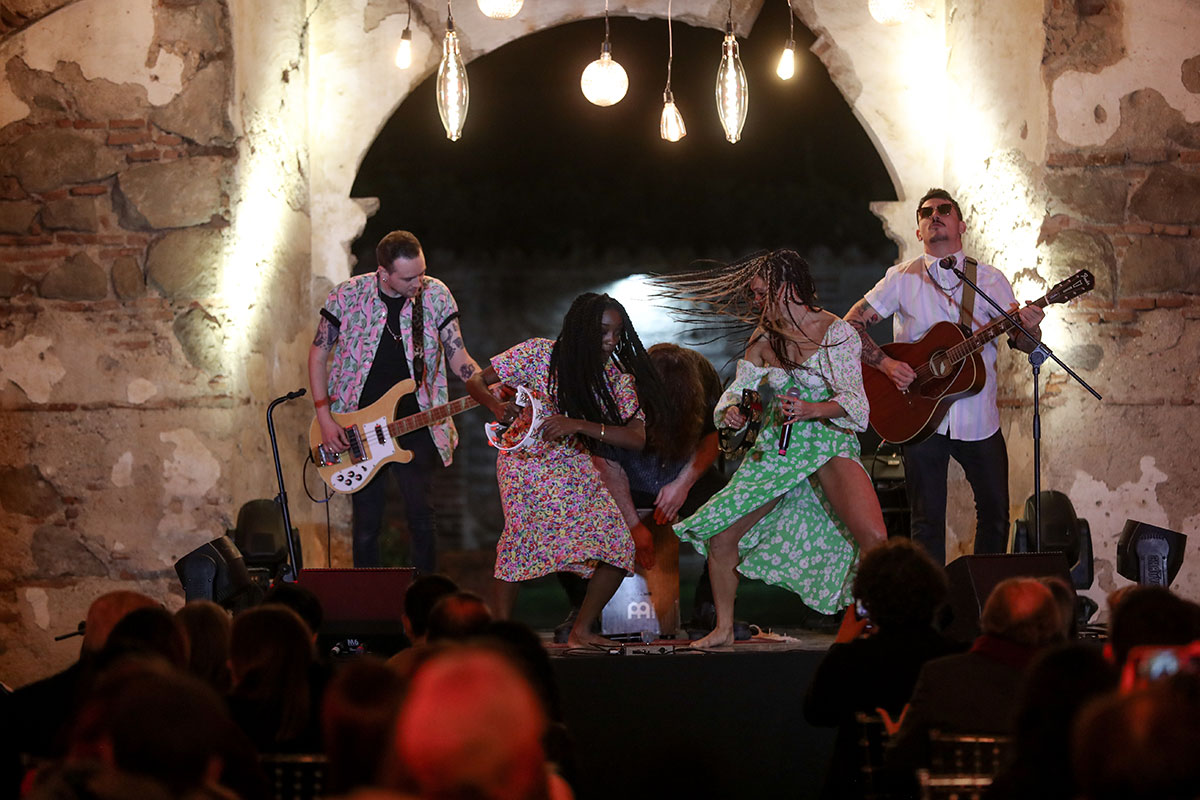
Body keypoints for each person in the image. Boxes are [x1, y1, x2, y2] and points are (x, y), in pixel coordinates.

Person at [657, 250, 888, 649]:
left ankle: (879, 623)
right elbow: (746, 395)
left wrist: (812, 408)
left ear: (788, 288)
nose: (758, 304)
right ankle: (723, 627)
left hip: (827, 440)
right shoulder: (763, 340)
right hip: (777, 449)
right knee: (722, 538)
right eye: (755, 297)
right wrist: (733, 413)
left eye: (763, 295)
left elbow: (855, 401)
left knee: (874, 537)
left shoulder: (837, 332)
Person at [844, 189, 1045, 564]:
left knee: (996, 516)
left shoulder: (989, 279)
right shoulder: (900, 279)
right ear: (919, 231)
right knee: (926, 523)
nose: (935, 215)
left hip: (979, 418)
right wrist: (886, 365)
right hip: (918, 416)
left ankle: (982, 605)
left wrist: (1029, 327)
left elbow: (1020, 339)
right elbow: (850, 324)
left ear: (960, 224)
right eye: (926, 213)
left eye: (944, 210)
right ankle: (930, 614)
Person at [465, 292, 663, 648]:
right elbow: (475, 381)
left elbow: (636, 437)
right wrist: (497, 407)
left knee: (618, 546)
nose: (610, 341)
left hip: (572, 462)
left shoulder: (615, 380)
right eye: (603, 332)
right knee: (521, 541)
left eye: (617, 334)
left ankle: (581, 631)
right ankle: (498, 636)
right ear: (580, 329)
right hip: (524, 461)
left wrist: (579, 425)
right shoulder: (538, 353)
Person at [308, 230, 484, 572]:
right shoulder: (347, 295)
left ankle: (424, 601)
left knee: (422, 520)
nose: (418, 281)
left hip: (416, 421)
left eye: (421, 272)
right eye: (408, 277)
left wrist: (483, 385)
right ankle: (369, 609)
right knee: (366, 527)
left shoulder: (436, 295)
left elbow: (457, 353)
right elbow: (317, 355)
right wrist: (325, 418)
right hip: (356, 425)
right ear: (383, 272)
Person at [803, 538, 961, 800]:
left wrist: (840, 646)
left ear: (869, 600)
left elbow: (817, 714)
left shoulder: (850, 659)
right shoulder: (954, 657)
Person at [886, 576, 1065, 779]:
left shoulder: (941, 676)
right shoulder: (1064, 687)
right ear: (1051, 626)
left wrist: (896, 737)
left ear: (988, 617)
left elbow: (899, 766)